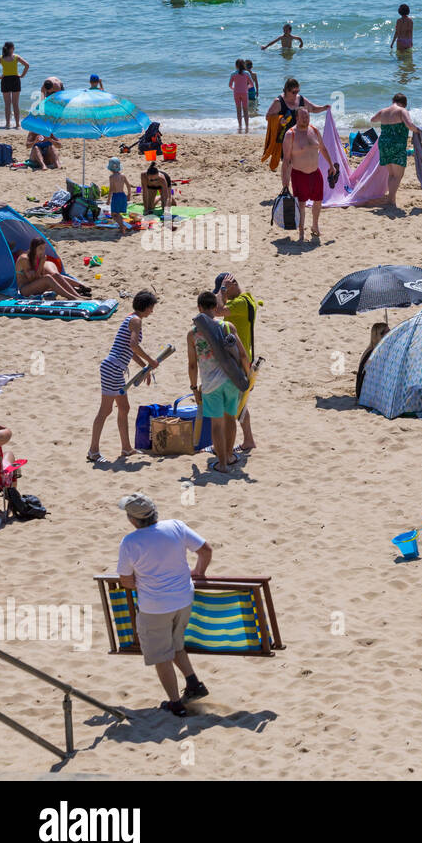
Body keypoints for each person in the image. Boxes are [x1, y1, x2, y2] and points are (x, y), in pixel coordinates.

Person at [116, 492, 212, 717]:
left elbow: (126, 581)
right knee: (176, 643)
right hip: (184, 599)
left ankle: (176, 704)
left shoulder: (130, 542)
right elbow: (206, 550)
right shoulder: (176, 526)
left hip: (155, 607)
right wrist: (199, 571)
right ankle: (193, 683)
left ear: (133, 519)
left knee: (161, 656)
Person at [88, 291, 159, 462]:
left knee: (124, 408)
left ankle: (126, 448)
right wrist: (150, 360)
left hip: (114, 368)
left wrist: (145, 368)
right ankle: (93, 451)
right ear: (147, 306)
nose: (152, 311)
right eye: (152, 308)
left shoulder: (131, 318)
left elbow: (129, 350)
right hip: (112, 368)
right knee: (105, 410)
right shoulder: (136, 320)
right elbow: (134, 346)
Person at [188, 291, 251, 474]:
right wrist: (248, 377)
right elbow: (242, 355)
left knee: (216, 424)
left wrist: (193, 387)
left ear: (199, 308)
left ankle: (221, 463)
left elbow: (192, 365)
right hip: (231, 380)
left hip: (209, 385)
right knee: (230, 419)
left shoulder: (192, 334)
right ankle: (230, 456)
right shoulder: (227, 327)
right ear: (216, 308)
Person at [214, 272, 261, 452]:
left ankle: (241, 441)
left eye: (225, 290)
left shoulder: (240, 303)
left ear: (232, 285)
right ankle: (248, 440)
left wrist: (222, 290)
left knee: (236, 402)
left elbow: (218, 311)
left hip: (239, 357)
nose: (222, 294)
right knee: (241, 402)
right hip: (242, 355)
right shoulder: (247, 299)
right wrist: (225, 292)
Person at [282, 107, 333, 241]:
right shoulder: (290, 134)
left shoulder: (314, 130)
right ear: (297, 118)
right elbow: (286, 161)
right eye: (303, 117)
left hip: (315, 173)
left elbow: (322, 149)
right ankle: (301, 231)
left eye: (307, 116)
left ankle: (315, 226)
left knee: (318, 201)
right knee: (301, 204)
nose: (306, 119)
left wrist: (331, 165)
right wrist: (285, 183)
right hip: (299, 174)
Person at [369, 93, 421, 208]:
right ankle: (390, 200)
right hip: (397, 144)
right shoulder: (402, 111)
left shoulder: (383, 111)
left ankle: (392, 199)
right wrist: (418, 131)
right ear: (404, 103)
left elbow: (372, 119)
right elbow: (409, 125)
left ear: (393, 100)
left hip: (383, 144)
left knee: (392, 174)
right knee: (398, 175)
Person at [265, 78, 330, 167]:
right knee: (289, 164)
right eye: (293, 92)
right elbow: (268, 116)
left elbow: (313, 108)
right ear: (287, 90)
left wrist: (324, 108)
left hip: (301, 136)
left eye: (297, 91)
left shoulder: (301, 99)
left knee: (301, 163)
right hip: (285, 138)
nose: (296, 94)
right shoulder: (279, 102)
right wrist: (280, 120)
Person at [15, 238, 84, 300]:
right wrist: (41, 263)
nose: (43, 251)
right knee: (48, 278)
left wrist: (41, 263)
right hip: (25, 289)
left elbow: (39, 276)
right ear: (34, 248)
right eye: (40, 248)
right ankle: (72, 297)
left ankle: (77, 295)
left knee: (55, 275)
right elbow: (32, 279)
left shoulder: (39, 257)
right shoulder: (25, 259)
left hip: (35, 287)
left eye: (44, 248)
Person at [0, 42, 28, 130]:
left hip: (5, 80)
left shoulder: (1, 58)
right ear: (11, 48)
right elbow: (27, 65)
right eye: (13, 47)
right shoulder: (16, 57)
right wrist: (22, 75)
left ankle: (8, 124)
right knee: (15, 104)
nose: (14, 48)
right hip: (15, 80)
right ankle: (17, 125)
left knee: (7, 104)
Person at [355, 322, 389, 400]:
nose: (391, 333)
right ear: (380, 335)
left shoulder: (372, 348)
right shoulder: (373, 354)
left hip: (365, 389)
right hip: (365, 393)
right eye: (388, 331)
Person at [108, 157, 133, 235]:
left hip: (116, 196)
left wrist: (108, 199)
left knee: (114, 214)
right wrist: (129, 195)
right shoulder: (123, 176)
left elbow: (111, 189)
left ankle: (122, 227)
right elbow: (128, 186)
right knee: (118, 213)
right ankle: (122, 226)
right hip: (123, 195)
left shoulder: (111, 177)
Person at [228, 58, 253, 134]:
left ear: (236, 65)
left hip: (236, 93)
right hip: (245, 93)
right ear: (244, 65)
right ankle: (247, 126)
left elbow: (229, 85)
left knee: (238, 110)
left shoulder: (233, 74)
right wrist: (246, 88)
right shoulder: (247, 73)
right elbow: (252, 84)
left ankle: (240, 126)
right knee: (245, 110)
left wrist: (234, 89)